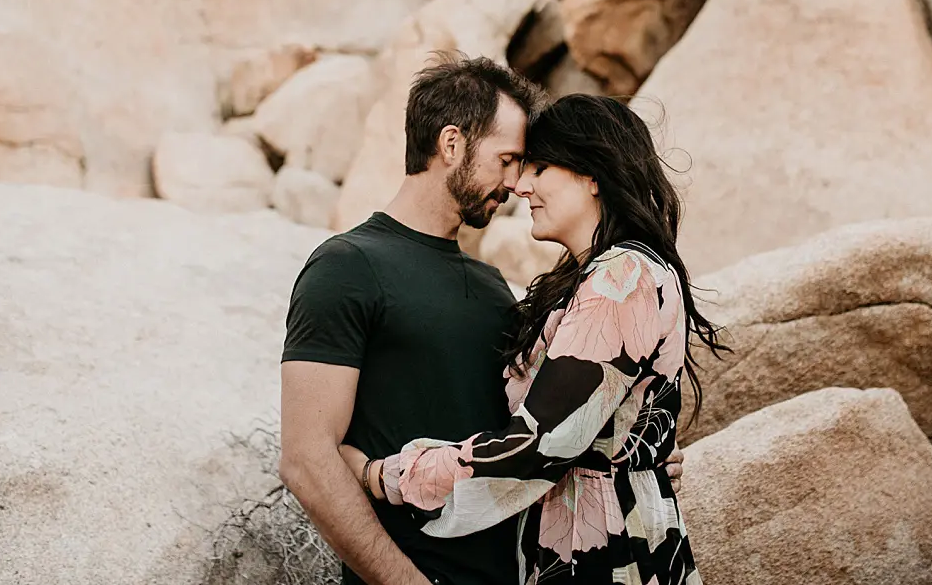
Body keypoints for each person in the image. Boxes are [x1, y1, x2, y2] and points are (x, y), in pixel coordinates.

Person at [279, 55, 684, 585]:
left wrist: (634, 445)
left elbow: (547, 424)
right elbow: (307, 461)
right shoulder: (348, 266)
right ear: (452, 145)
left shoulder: (497, 288)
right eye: (509, 159)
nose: (516, 183)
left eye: (529, 166)